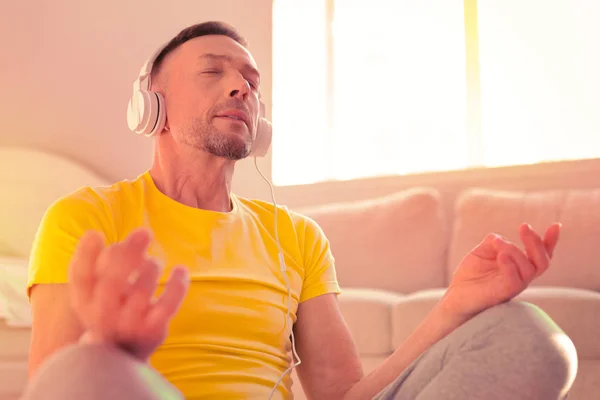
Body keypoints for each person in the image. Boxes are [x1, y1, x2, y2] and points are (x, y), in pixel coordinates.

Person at [23, 21, 577, 400]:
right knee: (80, 371)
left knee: (529, 336)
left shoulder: (296, 235)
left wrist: (455, 307)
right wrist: (111, 350)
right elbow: (52, 382)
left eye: (250, 81)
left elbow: (344, 396)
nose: (241, 87)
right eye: (213, 72)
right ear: (152, 107)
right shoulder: (84, 218)